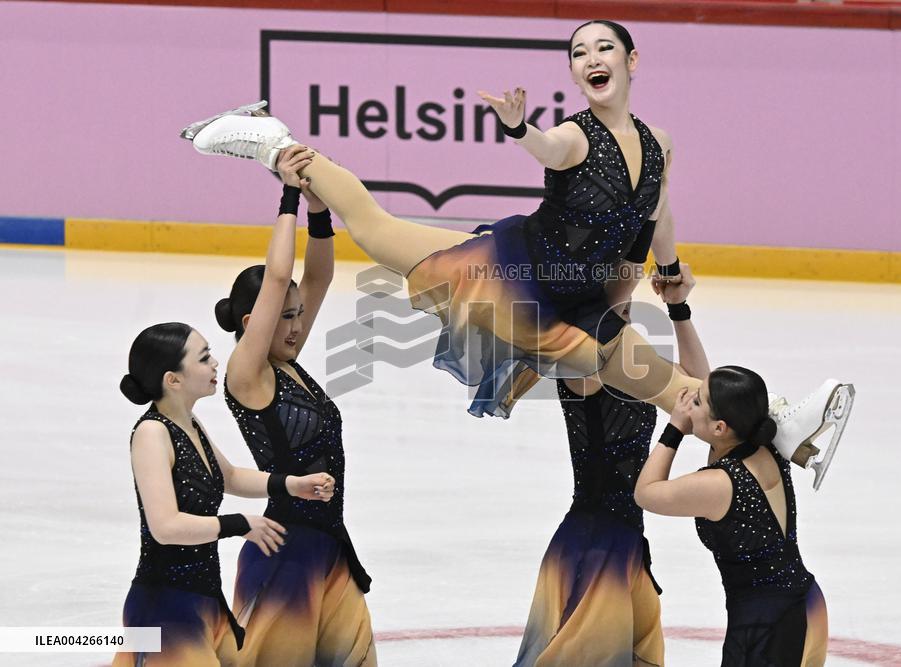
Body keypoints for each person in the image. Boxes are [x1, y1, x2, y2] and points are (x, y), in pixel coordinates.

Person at [179, 21, 852, 481]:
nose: (591, 59)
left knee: (672, 389)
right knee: (377, 230)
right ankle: (268, 141)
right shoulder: (573, 135)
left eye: (604, 49)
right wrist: (519, 127)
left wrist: (668, 273)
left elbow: (658, 211)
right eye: (579, 53)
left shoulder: (661, 143)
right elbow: (549, 149)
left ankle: (780, 433)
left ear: (631, 61)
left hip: (580, 302)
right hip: (520, 282)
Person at [217, 147, 376, 666]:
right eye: (284, 317)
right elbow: (282, 273)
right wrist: (285, 193)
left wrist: (317, 209)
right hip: (283, 555)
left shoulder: (288, 364)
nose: (296, 326)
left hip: (330, 547)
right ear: (252, 324)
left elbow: (319, 277)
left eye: (299, 316)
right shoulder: (249, 375)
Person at [515, 266, 709, 667]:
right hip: (593, 543)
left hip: (625, 542)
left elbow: (703, 394)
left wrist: (678, 308)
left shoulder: (638, 368)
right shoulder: (583, 366)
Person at [114, 322, 334, 666]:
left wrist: (291, 484)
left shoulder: (189, 423)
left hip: (204, 601)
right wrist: (239, 524)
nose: (215, 363)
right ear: (173, 379)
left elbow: (228, 476)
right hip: (164, 608)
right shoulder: (151, 434)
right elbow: (165, 526)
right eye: (203, 359)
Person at [634, 334, 833, 664]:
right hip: (803, 605)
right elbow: (704, 381)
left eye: (696, 403)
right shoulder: (763, 444)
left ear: (720, 428)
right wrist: (679, 309)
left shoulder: (718, 484)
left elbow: (646, 493)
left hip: (769, 626)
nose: (687, 404)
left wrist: (674, 430)